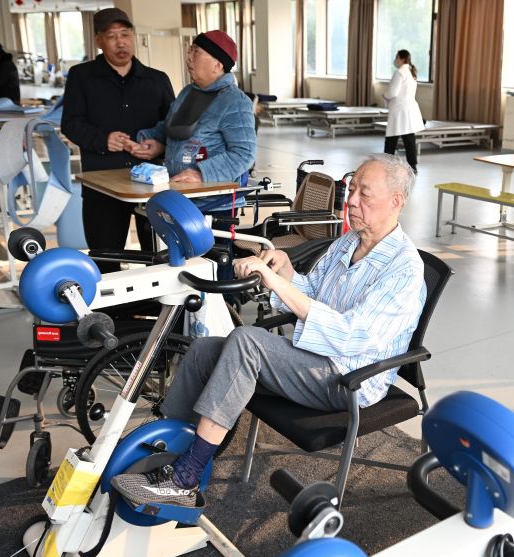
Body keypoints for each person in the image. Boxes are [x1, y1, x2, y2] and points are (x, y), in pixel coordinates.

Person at [110, 154, 426, 508]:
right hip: (315, 360)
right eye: (351, 189)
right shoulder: (348, 243)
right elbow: (312, 291)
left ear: (395, 201)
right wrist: (286, 272)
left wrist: (277, 284)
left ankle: (185, 478)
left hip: (349, 378)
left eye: (364, 194)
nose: (351, 200)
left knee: (248, 343)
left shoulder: (404, 270)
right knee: (203, 351)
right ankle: (161, 449)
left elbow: (352, 336)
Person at [60, 8, 175, 272]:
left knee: (158, 257)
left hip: (151, 184)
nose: (120, 43)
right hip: (102, 183)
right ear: (98, 40)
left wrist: (159, 145)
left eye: (125, 34)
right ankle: (109, 299)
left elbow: (173, 126)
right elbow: (71, 123)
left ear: (133, 36)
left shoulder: (157, 80)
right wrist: (103, 140)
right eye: (112, 36)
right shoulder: (82, 76)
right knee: (105, 258)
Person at [129, 30, 256, 203]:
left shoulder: (234, 101)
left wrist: (200, 173)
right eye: (190, 51)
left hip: (213, 203)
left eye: (196, 52)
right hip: (178, 193)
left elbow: (244, 154)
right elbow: (169, 127)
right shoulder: (188, 92)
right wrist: (148, 140)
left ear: (218, 65)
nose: (188, 57)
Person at [383, 49, 424, 174]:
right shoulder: (411, 72)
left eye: (397, 57)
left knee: (391, 139)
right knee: (409, 139)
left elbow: (393, 92)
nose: (395, 60)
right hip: (408, 109)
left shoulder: (400, 72)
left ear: (401, 58)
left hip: (399, 110)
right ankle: (413, 166)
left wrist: (384, 95)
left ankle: (386, 165)